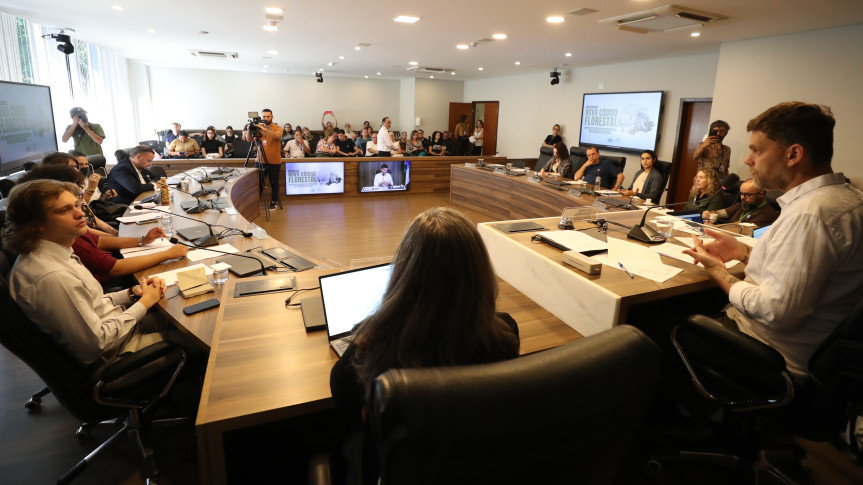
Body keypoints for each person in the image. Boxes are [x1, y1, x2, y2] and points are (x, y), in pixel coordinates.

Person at [329, 207, 521, 481]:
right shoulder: (504, 334)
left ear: (404, 273)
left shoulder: (372, 343)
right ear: (481, 270)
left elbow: (341, 394)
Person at [683, 102, 863, 382]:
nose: (747, 160)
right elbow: (806, 277)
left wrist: (715, 268)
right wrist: (743, 254)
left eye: (757, 150)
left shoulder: (810, 216)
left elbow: (774, 311)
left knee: (650, 325)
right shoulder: (849, 199)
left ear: (793, 154)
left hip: (769, 357)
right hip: (806, 351)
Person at [2, 179, 178, 368]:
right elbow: (98, 343)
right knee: (199, 337)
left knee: (185, 313)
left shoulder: (57, 253)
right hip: (118, 356)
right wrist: (145, 302)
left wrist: (131, 293)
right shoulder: (52, 277)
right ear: (36, 224)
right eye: (64, 210)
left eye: (77, 205)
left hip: (119, 328)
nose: (80, 214)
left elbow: (94, 304)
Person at [702, 178, 779, 228]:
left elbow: (741, 229)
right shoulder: (743, 204)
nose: (742, 197)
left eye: (747, 195)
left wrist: (714, 228)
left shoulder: (767, 214)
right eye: (741, 194)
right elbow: (722, 213)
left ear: (761, 194)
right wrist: (709, 213)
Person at [254, 109, 284, 209]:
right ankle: (256, 203)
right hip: (260, 160)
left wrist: (264, 129)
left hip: (274, 161)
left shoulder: (277, 127)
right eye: (264, 117)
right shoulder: (258, 128)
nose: (266, 118)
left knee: (274, 182)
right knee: (259, 183)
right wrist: (250, 130)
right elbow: (249, 140)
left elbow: (277, 136)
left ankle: (273, 202)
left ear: (272, 117)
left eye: (268, 116)